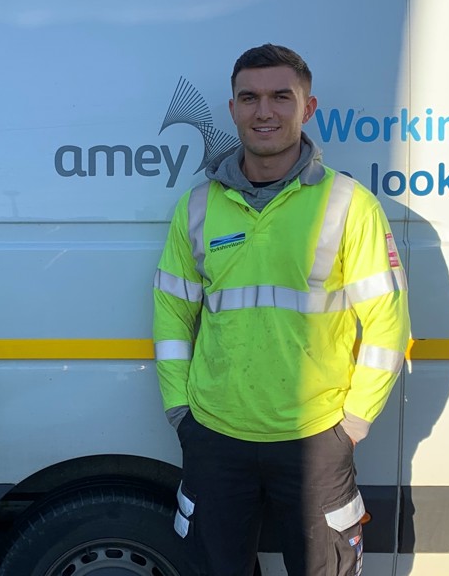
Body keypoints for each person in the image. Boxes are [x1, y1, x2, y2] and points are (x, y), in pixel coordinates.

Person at [153, 44, 410, 575]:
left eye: (280, 97)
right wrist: (182, 412)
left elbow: (387, 322)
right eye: (249, 98)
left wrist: (353, 425)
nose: (263, 112)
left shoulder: (348, 204)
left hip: (316, 440)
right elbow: (172, 313)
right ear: (231, 109)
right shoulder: (198, 206)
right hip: (216, 437)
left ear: (308, 107)